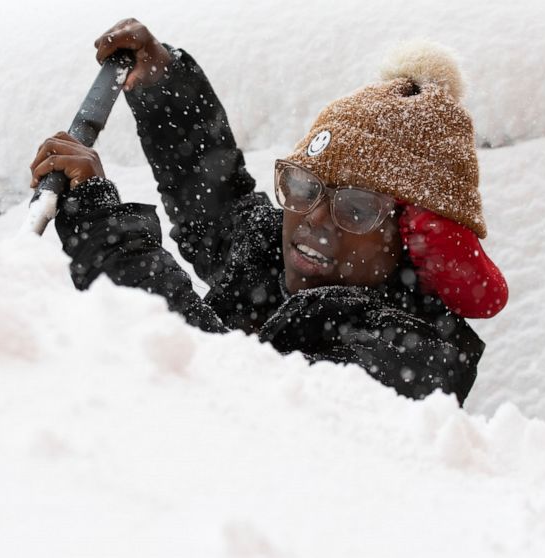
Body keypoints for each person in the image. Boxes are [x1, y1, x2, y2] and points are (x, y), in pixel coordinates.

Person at [29, 19, 508, 405]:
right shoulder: (274, 260)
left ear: (415, 240)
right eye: (303, 186)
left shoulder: (412, 360)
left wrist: (107, 231)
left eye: (357, 208)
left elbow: (228, 403)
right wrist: (164, 85)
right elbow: (217, 202)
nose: (313, 219)